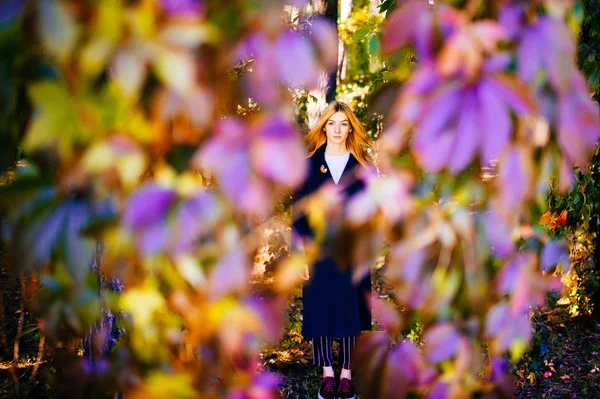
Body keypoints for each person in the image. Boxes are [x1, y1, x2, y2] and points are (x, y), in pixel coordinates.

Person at [291, 101, 373, 399]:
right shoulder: (310, 165)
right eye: (332, 123)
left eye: (343, 124)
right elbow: (298, 212)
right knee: (321, 307)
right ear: (323, 126)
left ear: (350, 127)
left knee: (351, 309)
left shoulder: (361, 167)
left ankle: (346, 375)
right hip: (317, 250)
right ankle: (327, 374)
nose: (337, 130)